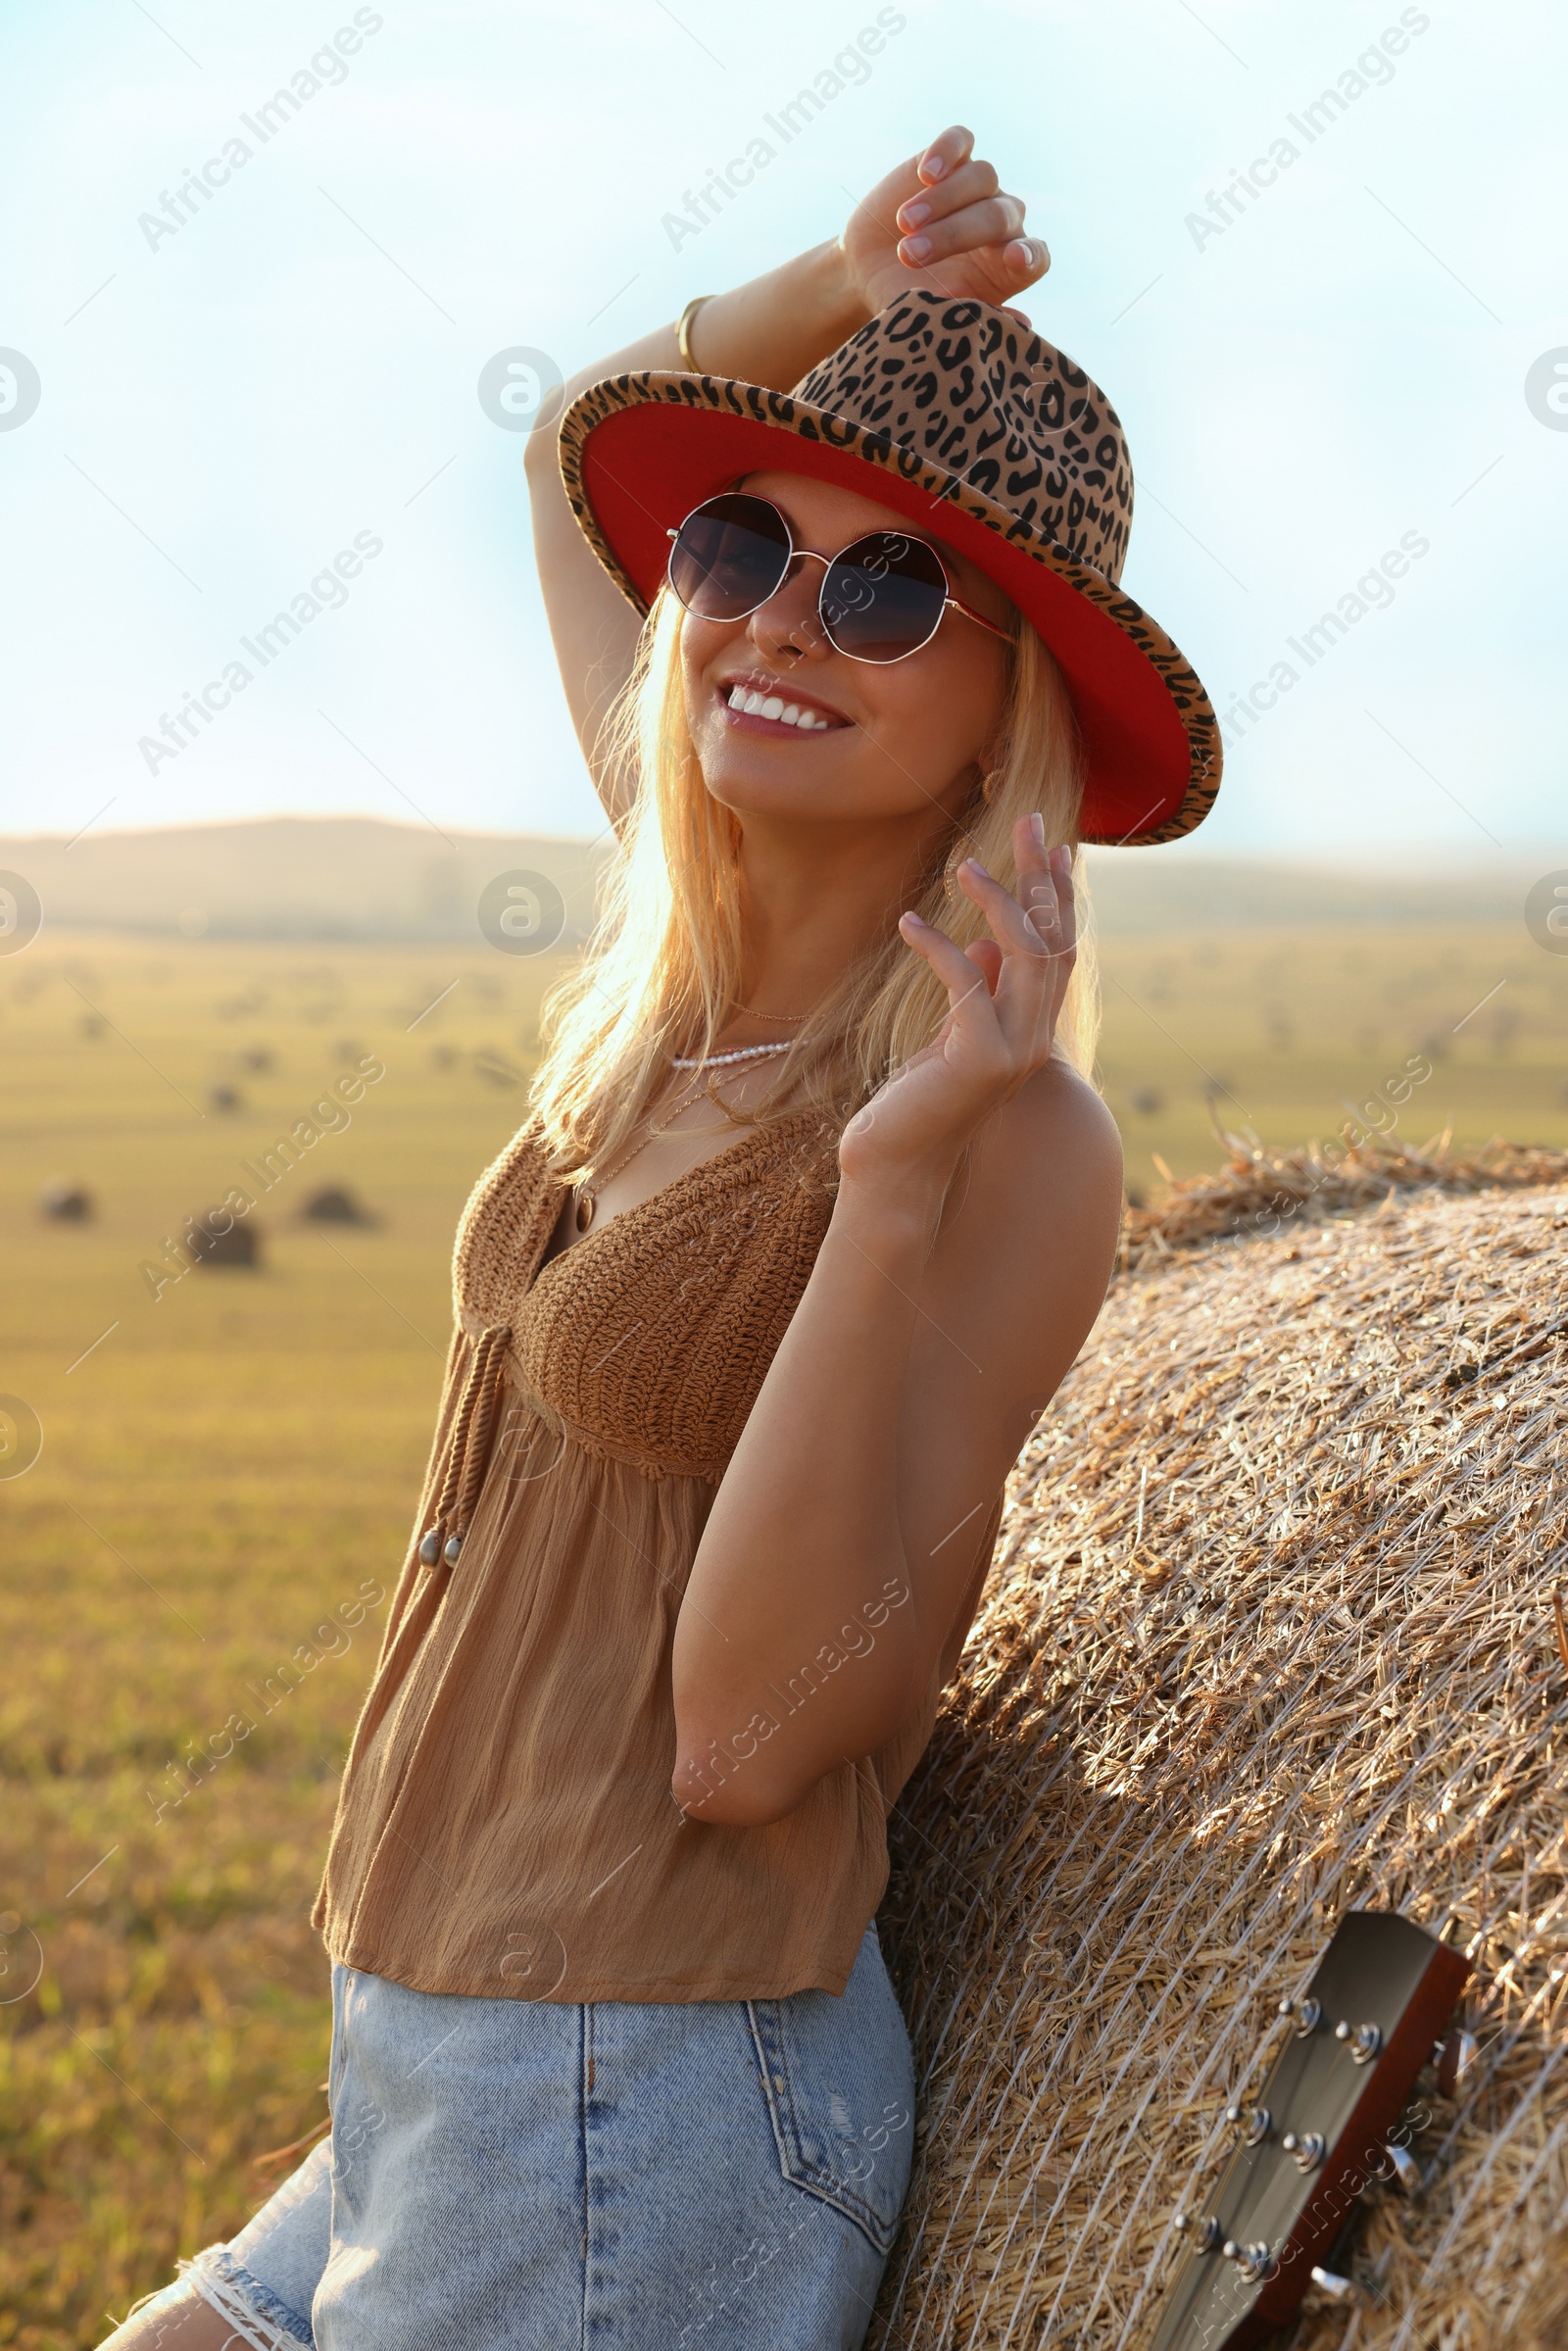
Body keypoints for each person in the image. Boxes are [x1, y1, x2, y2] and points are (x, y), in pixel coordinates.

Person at [103, 122, 1219, 2351]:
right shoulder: (687, 948)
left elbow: (743, 1738)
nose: (779, 623)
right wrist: (836, 270)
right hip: (434, 2037)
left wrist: (888, 1188)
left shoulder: (1007, 1149)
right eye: (738, 546)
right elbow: (557, 453)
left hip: (644, 2085)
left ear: (997, 705)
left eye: (888, 590)